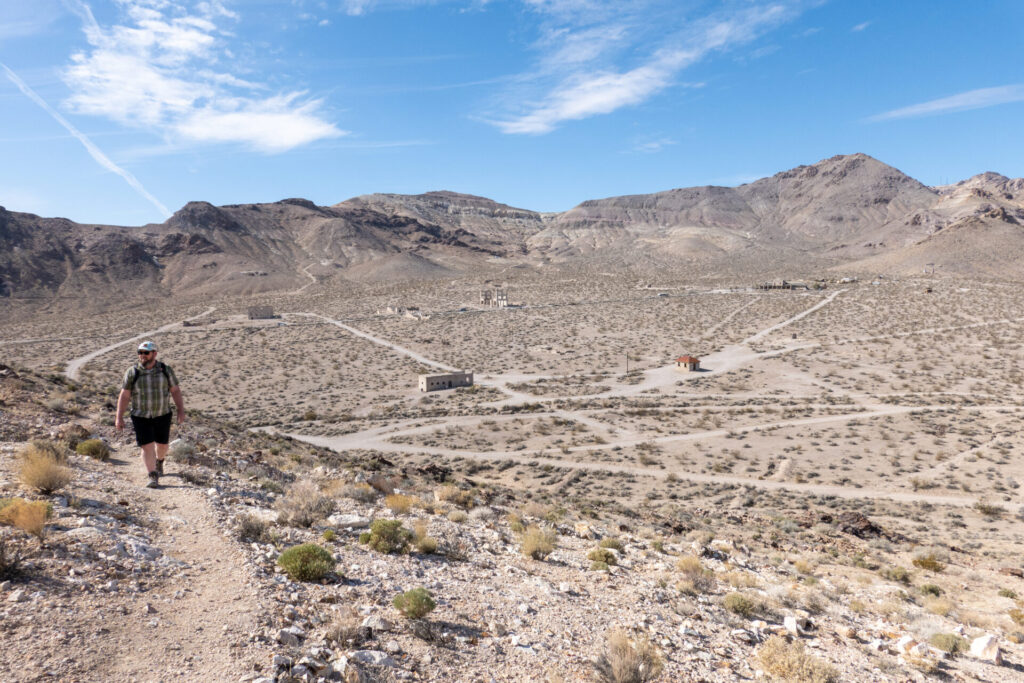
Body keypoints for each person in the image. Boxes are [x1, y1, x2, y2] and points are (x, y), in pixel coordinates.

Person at [115, 341, 185, 488]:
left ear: (154, 354)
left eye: (146, 353)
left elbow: (175, 391)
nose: (142, 356)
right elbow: (125, 395)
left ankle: (160, 461)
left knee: (162, 445)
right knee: (147, 446)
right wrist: (119, 417)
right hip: (140, 416)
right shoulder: (132, 372)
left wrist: (180, 410)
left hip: (162, 414)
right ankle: (152, 475)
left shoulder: (165, 370)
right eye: (140, 352)